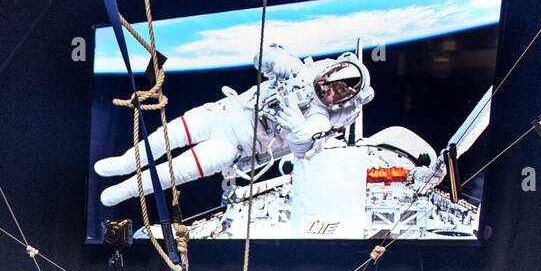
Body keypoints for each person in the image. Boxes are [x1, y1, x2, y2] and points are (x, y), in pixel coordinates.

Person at [96, 42, 374, 205]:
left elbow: (306, 149)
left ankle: (125, 191)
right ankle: (123, 163)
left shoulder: (318, 118)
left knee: (173, 173)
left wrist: (298, 126)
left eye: (341, 92)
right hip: (222, 114)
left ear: (343, 102)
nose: (333, 89)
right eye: (337, 81)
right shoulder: (298, 71)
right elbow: (261, 56)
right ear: (332, 69)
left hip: (232, 146)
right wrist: (279, 60)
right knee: (162, 138)